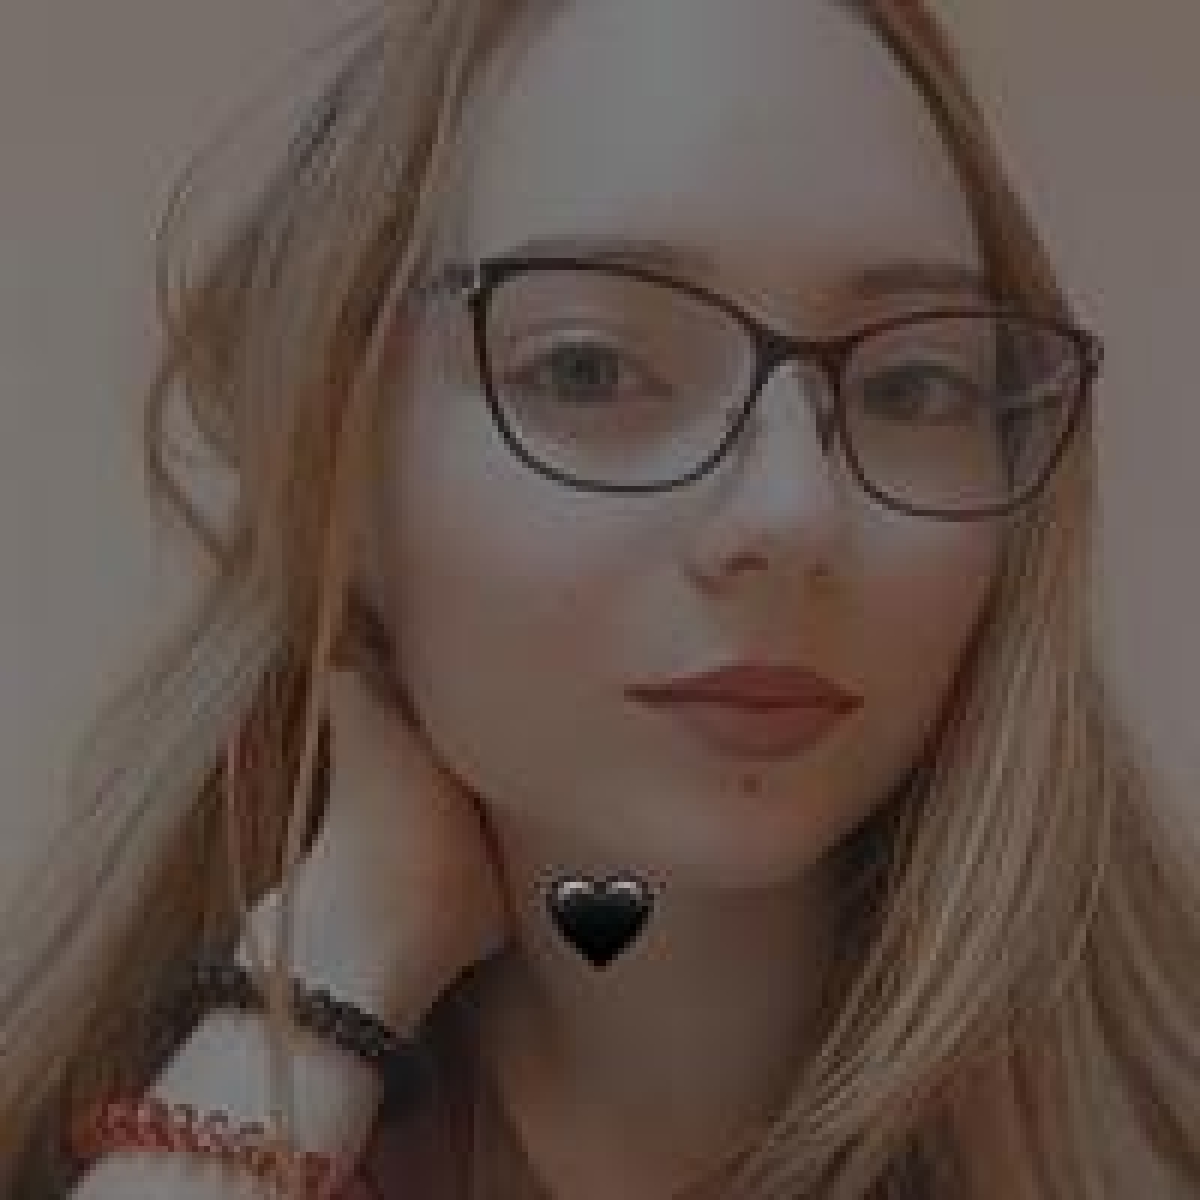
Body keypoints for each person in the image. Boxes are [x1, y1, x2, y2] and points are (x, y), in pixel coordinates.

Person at [2, 0, 1197, 1196]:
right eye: (591, 369)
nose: (795, 513)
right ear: (335, 471)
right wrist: (340, 950)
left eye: (915, 386)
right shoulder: (83, 1107)